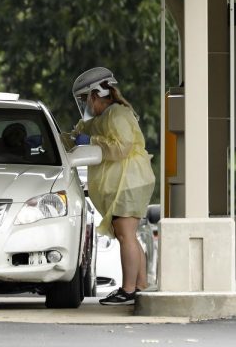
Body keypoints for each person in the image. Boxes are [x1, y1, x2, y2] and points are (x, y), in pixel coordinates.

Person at [63, 66, 155, 306]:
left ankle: (127, 289)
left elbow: (121, 146)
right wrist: (52, 139)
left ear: (96, 94)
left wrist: (91, 142)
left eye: (85, 99)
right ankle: (140, 287)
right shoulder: (97, 120)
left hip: (130, 181)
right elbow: (74, 137)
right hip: (123, 183)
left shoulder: (118, 114)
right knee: (129, 236)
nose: (84, 104)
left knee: (126, 235)